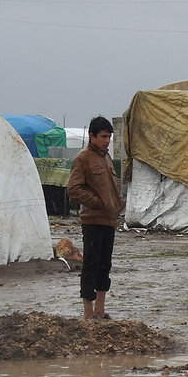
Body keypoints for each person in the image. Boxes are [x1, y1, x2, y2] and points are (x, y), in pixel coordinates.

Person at [67, 116, 124, 321]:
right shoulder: (83, 158)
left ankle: (100, 310)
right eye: (103, 136)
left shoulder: (106, 158)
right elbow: (73, 189)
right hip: (92, 220)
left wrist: (114, 207)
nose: (107, 140)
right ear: (92, 136)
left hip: (108, 220)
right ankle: (88, 312)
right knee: (91, 265)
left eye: (109, 136)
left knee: (104, 265)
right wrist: (97, 203)